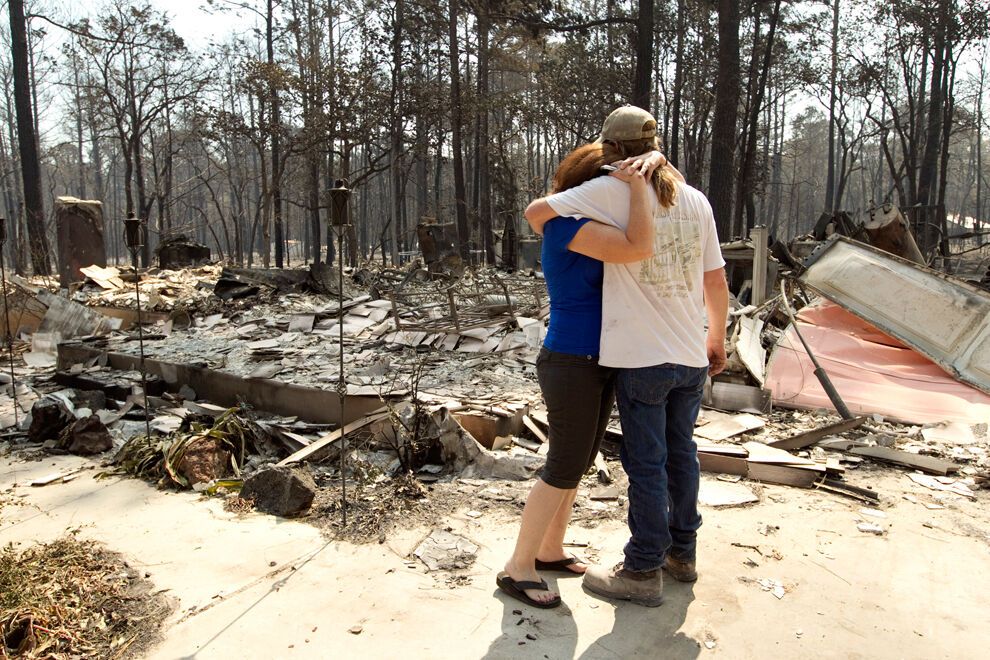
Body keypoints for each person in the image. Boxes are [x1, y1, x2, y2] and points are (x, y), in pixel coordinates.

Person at [526, 105, 729, 607]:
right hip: (688, 351)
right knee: (682, 455)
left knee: (646, 462)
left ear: (611, 151)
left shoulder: (605, 192)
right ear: (654, 145)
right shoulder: (695, 199)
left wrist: (624, 183)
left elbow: (536, 213)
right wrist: (717, 337)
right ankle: (683, 554)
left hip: (641, 355)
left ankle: (641, 569)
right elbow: (715, 278)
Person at [496, 141, 674, 609]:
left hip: (599, 359)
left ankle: (550, 551)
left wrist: (652, 165)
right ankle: (518, 567)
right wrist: (634, 189)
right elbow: (638, 247)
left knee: (577, 462)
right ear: (589, 188)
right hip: (571, 361)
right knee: (561, 466)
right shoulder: (567, 227)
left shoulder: (591, 222)